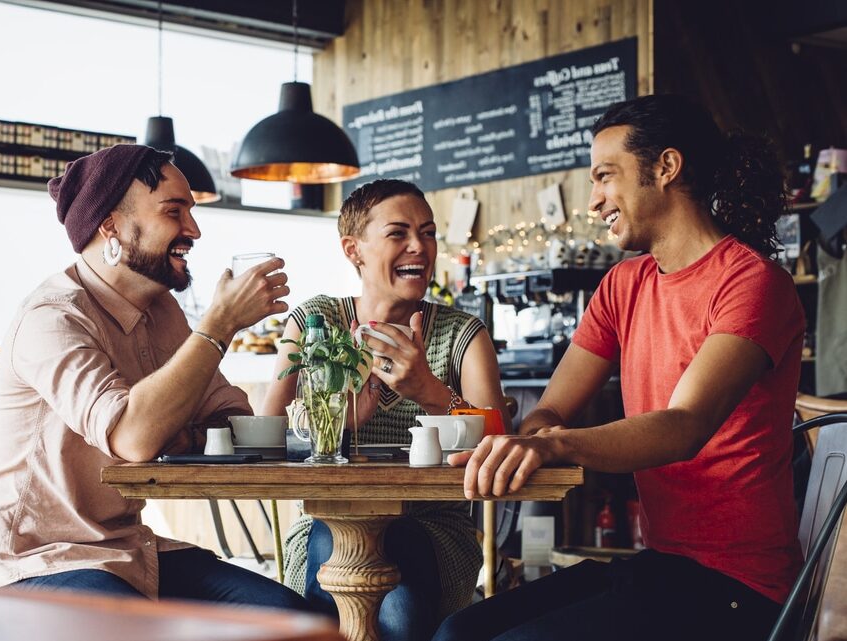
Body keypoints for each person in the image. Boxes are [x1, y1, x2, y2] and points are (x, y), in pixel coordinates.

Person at [433, 94, 805, 641]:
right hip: (661, 566)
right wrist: (534, 435)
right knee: (457, 633)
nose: (593, 201)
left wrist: (554, 445)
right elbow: (554, 406)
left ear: (666, 168)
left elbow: (685, 426)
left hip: (741, 589)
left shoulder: (751, 283)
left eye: (605, 176)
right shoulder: (624, 285)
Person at [0, 144, 306, 610]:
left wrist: (179, 428)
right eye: (175, 210)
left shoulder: (164, 312)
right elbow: (134, 437)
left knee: (301, 619)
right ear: (111, 225)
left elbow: (230, 418)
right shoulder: (53, 319)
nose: (194, 230)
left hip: (131, 551)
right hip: (37, 564)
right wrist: (219, 325)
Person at [261, 178, 509, 639]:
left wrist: (428, 390)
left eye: (429, 232)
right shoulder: (316, 322)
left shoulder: (461, 332)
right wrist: (332, 425)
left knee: (395, 600)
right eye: (399, 233)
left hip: (434, 533)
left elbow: (501, 438)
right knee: (343, 549)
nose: (420, 246)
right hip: (324, 527)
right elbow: (267, 435)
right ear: (353, 250)